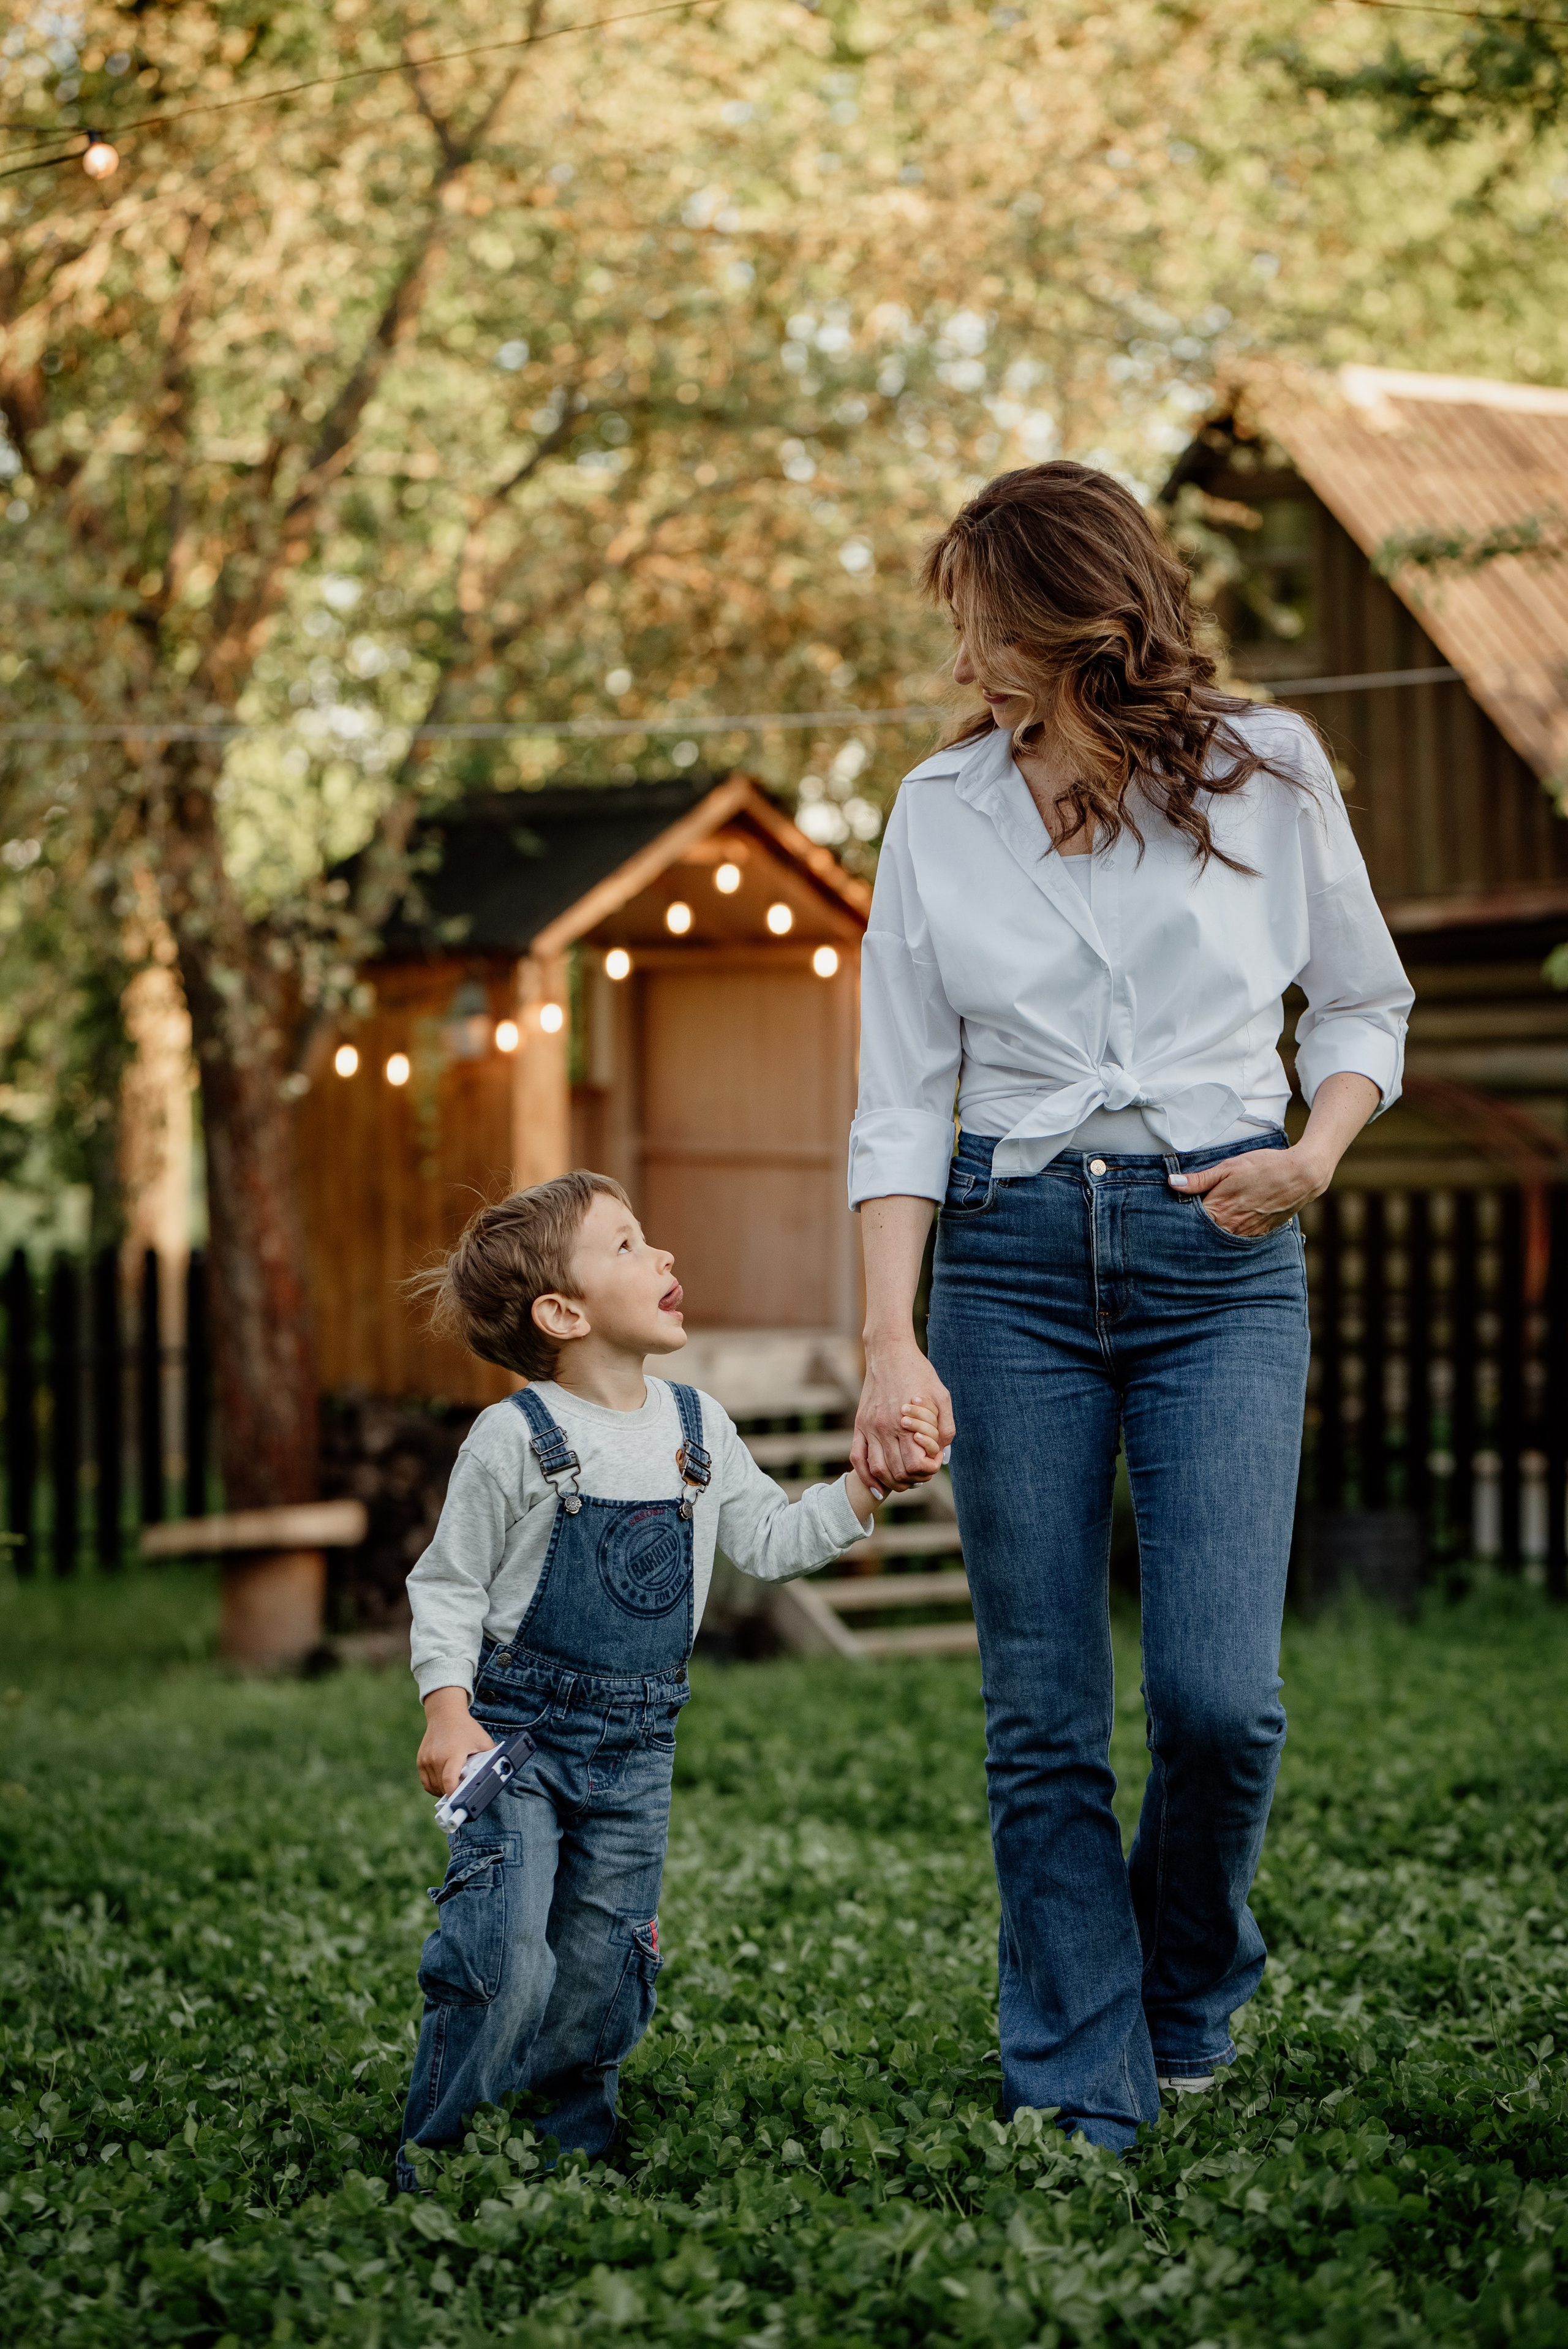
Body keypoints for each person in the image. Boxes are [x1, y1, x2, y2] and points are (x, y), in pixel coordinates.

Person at [848, 461, 1413, 2152]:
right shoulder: (937, 811)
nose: (962, 663)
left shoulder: (1273, 771)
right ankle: (1077, 2081)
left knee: (1221, 1703)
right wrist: (892, 1334)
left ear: (1067, 626)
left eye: (980, 626)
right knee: (1041, 1710)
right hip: (1012, 1259)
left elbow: (1364, 1001)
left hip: (1222, 1256)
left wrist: (1314, 1153)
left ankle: (1187, 1988)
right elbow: (899, 1096)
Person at [397, 1169, 938, 2187]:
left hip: (639, 1750)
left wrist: (864, 1487)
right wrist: (446, 1711)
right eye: (629, 1246)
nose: (665, 1258)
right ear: (563, 1312)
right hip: (516, 1743)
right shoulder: (514, 1438)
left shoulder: (699, 1426)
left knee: (605, 1964)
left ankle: (570, 2144)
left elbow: (771, 1541)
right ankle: (446, 2157)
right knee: (502, 1953)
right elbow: (450, 1585)